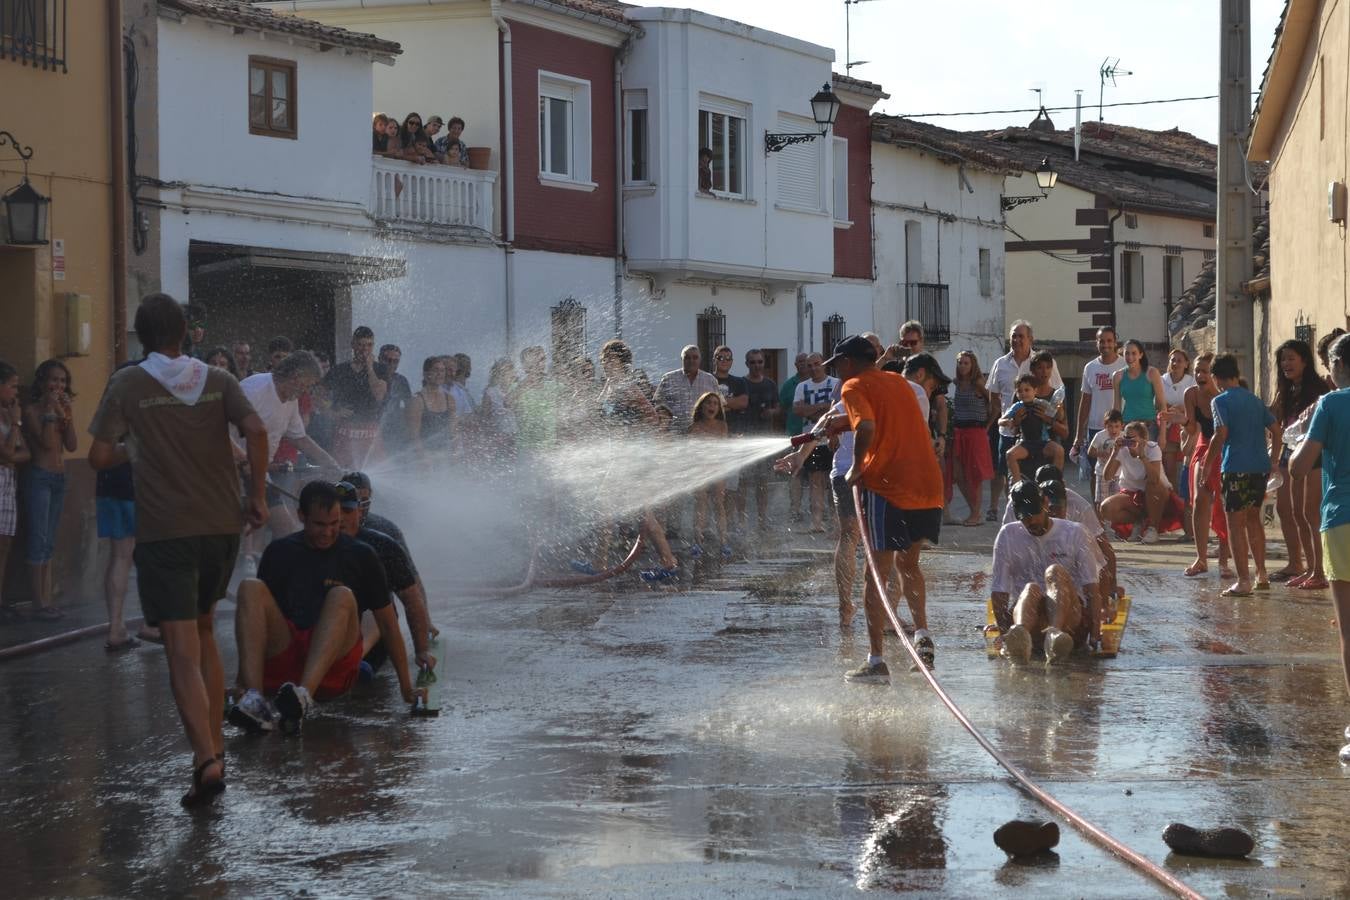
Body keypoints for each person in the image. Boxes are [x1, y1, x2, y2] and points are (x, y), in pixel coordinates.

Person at [89, 292, 270, 806]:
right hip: (220, 528)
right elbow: (255, 430)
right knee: (206, 630)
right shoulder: (217, 380)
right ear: (188, 331)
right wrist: (255, 494)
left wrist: (137, 443)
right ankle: (213, 749)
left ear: (141, 336)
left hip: (166, 531)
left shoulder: (127, 383)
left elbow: (99, 456)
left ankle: (207, 760)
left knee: (180, 649)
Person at [230, 480, 412, 734]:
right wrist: (241, 679)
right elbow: (256, 622)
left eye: (334, 524)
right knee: (249, 587)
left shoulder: (362, 554)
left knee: (341, 595)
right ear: (301, 516)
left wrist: (407, 687)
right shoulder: (279, 551)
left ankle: (303, 696)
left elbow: (388, 624)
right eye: (319, 525)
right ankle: (255, 701)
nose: (327, 533)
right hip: (288, 654)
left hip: (332, 666)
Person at [827, 335, 943, 681]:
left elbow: (867, 425)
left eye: (837, 365)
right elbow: (886, 417)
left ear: (848, 363)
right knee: (910, 564)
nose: (836, 372)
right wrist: (840, 422)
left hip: (888, 487)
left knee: (874, 574)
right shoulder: (897, 381)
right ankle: (922, 635)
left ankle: (876, 661)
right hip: (927, 483)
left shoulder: (852, 387)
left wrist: (857, 466)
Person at [1289, 332, 1350, 761]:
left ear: (1338, 366)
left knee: (1349, 630)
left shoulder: (1330, 405)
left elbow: (1299, 467)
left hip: (1341, 519)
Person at [234, 351, 342, 570]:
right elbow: (218, 429)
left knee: (288, 530)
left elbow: (300, 438)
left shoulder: (290, 401)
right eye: (306, 385)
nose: (306, 391)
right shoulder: (254, 389)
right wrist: (244, 462)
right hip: (229, 471)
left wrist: (330, 462)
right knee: (230, 535)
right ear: (295, 375)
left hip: (258, 474)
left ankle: (283, 582)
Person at [591, 339, 680, 581]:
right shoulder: (610, 385)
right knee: (618, 511)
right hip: (618, 456)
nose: (605, 364)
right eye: (604, 360)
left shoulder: (629, 388)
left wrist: (632, 435)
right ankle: (667, 562)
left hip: (632, 458)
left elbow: (652, 418)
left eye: (610, 359)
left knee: (617, 510)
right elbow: (600, 413)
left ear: (622, 361)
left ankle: (668, 562)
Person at [990, 479, 1102, 664]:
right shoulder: (1007, 534)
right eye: (1024, 517)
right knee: (1031, 589)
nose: (1030, 520)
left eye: (1034, 513)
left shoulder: (1075, 533)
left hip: (1070, 621)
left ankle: (1055, 634)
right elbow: (999, 591)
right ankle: (1019, 634)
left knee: (1055, 572)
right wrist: (1003, 634)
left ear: (1045, 504)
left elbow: (1092, 587)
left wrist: (1096, 634)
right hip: (1029, 618)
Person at [331, 481, 434, 674]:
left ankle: (353, 660)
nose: (340, 518)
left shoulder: (383, 542)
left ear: (360, 511)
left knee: (376, 605)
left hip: (372, 635)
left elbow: (411, 595)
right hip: (329, 632)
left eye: (347, 510)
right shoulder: (313, 540)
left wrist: (422, 649)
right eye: (335, 511)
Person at [1203, 353, 1280, 597]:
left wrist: (1207, 465)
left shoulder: (1220, 401)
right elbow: (1276, 430)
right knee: (1253, 520)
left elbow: (1220, 433)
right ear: (1236, 373)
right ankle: (1261, 573)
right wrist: (1274, 461)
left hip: (1235, 466)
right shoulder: (1255, 400)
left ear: (1215, 378)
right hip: (1260, 467)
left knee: (1235, 525)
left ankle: (1243, 580)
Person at [97, 359, 161, 650]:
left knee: (119, 555)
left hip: (109, 481)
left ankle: (115, 628)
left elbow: (99, 449)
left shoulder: (110, 405)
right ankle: (150, 624)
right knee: (147, 555)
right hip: (139, 483)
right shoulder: (147, 404)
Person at [1002, 465, 1118, 604]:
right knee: (1031, 589)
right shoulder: (1017, 504)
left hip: (1067, 583)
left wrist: (1110, 593)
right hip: (1033, 582)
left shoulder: (1079, 510)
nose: (1053, 513)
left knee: (1058, 575)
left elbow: (1103, 555)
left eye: (1057, 508)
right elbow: (1004, 557)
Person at [987, 320, 1064, 519]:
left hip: (1041, 436)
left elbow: (1057, 397)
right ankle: (1013, 508)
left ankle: (1051, 497)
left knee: (1041, 471)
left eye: (1021, 336)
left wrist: (1051, 418)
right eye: (1014, 335)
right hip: (1011, 430)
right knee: (1004, 471)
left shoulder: (1041, 362)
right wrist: (1009, 419)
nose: (1017, 340)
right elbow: (993, 395)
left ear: (1030, 339)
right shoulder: (1000, 364)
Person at [1270, 339, 1329, 589]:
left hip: (1314, 454)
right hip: (1289, 453)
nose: (1286, 363)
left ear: (1305, 360)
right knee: (1294, 512)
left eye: (1291, 358)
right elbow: (1273, 418)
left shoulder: (1319, 388)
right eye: (1283, 359)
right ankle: (1304, 566)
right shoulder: (1285, 390)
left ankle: (1320, 570)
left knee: (1310, 513)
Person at [22, 359, 77, 620]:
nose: (58, 385)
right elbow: (44, 443)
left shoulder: (62, 411)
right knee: (39, 538)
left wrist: (68, 416)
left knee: (50, 540)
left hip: (59, 478)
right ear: (43, 382)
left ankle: (45, 599)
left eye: (63, 381)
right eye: (54, 380)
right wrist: (50, 411)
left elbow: (73, 445)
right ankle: (38, 602)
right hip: (40, 477)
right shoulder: (32, 411)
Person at [1181, 354, 1232, 577]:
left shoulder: (1224, 395)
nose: (1200, 376)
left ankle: (1223, 561)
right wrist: (1180, 421)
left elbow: (1228, 431)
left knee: (1223, 505)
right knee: (1200, 500)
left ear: (1214, 375)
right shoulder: (1190, 394)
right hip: (1202, 448)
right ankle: (1201, 559)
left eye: (1204, 371)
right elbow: (1192, 429)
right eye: (1197, 371)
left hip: (1225, 449)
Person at [1098, 420, 1186, 544]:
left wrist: (1142, 456)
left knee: (1151, 484)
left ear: (1143, 438)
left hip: (1157, 495)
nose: (1128, 441)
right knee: (1106, 508)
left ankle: (1153, 528)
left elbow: (1154, 479)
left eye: (1132, 438)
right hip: (1131, 494)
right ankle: (1139, 521)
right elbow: (1107, 476)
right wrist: (1114, 453)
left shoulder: (1152, 448)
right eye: (1126, 437)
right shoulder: (1122, 450)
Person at [317, 326, 389, 468]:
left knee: (375, 475)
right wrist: (332, 413)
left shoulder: (380, 369)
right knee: (342, 477)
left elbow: (379, 395)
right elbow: (317, 396)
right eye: (361, 344)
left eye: (369, 345)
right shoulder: (339, 370)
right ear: (353, 345)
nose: (364, 349)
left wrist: (369, 367)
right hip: (345, 432)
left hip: (370, 432)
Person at [1074, 326, 1127, 500]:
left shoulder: (1125, 365)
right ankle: (1099, 517)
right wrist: (1079, 435)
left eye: (1109, 341)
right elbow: (1085, 400)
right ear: (1096, 343)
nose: (1105, 344)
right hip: (1096, 427)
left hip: (1120, 428)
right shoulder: (1090, 367)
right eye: (1101, 341)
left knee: (1121, 474)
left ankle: (1119, 515)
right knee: (1097, 475)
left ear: (1115, 343)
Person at [793, 353, 839, 533]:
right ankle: (817, 522)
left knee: (834, 480)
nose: (813, 368)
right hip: (811, 440)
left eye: (817, 364)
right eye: (809, 365)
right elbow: (798, 410)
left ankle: (836, 523)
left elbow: (835, 408)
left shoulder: (835, 383)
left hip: (834, 438)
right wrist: (822, 408)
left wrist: (814, 411)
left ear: (824, 364)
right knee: (815, 481)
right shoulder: (801, 386)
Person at [951, 350, 996, 526]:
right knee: (958, 473)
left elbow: (995, 405)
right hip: (959, 431)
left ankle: (975, 515)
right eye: (960, 363)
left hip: (975, 431)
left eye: (966, 363)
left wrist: (987, 426)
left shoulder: (978, 384)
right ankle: (973, 510)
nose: (962, 366)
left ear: (973, 365)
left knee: (974, 474)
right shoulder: (957, 383)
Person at [0, 361, 30, 622]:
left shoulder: (7, 415)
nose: (15, 393)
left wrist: (11, 454)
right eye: (11, 387)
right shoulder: (11, 418)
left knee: (5, 543)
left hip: (8, 481)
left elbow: (24, 453)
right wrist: (17, 424)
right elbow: (9, 452)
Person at [688, 391, 731, 557]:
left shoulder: (722, 426)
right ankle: (697, 542)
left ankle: (723, 542)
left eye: (715, 403)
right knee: (701, 504)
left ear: (719, 407)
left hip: (717, 468)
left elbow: (725, 448)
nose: (711, 406)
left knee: (719, 504)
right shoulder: (694, 427)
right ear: (701, 406)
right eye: (708, 403)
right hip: (700, 469)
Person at [740, 348, 777, 533]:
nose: (757, 365)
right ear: (747, 364)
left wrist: (772, 412)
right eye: (753, 362)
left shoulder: (770, 384)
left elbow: (778, 407)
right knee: (743, 483)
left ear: (763, 363)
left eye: (760, 362)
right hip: (745, 439)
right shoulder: (742, 384)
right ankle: (742, 521)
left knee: (763, 483)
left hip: (764, 439)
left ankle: (762, 520)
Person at [1001, 374, 1062, 482]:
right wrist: (1009, 422)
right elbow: (1000, 420)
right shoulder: (1017, 406)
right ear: (1016, 393)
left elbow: (1057, 415)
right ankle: (1017, 484)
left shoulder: (1041, 404)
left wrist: (1057, 408)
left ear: (1035, 390)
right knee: (1010, 455)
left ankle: (1055, 481)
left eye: (1027, 390)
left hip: (1043, 442)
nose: (1023, 393)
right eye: (1020, 391)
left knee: (1059, 450)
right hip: (1026, 443)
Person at [1160, 349, 1196, 504]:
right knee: (1169, 468)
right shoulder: (1162, 380)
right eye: (1173, 360)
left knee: (1183, 466)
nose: (1175, 363)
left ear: (1186, 363)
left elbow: (1194, 402)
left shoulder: (1191, 381)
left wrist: (1180, 409)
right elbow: (1157, 401)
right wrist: (1168, 408)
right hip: (1166, 426)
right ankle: (1171, 501)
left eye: (1179, 360)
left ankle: (1183, 502)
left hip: (1184, 427)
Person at [1112, 339, 1165, 440]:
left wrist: (1163, 434)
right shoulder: (1118, 376)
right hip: (1127, 426)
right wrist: (1116, 430)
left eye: (1134, 353)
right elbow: (1117, 407)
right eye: (1127, 353)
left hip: (1149, 426)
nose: (1130, 357)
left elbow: (1162, 405)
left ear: (1140, 355)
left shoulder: (1152, 373)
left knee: (1149, 456)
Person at [779, 352, 811, 520]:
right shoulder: (788, 385)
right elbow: (783, 406)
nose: (803, 364)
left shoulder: (818, 382)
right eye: (799, 362)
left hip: (815, 435)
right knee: (795, 473)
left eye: (805, 361)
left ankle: (817, 511)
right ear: (795, 364)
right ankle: (795, 510)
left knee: (818, 476)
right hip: (795, 433)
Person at [655, 345, 718, 429]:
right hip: (674, 431)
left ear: (700, 360)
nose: (691, 360)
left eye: (695, 357)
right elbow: (658, 403)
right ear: (682, 359)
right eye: (687, 357)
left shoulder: (710, 380)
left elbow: (720, 406)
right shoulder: (668, 379)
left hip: (702, 432)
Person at [407, 356, 455, 466]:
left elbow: (453, 431)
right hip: (424, 454)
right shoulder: (417, 400)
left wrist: (455, 452)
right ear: (425, 374)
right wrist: (422, 458)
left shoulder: (450, 399)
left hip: (444, 454)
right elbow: (413, 435)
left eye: (442, 370)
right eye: (435, 370)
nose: (440, 374)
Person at [377, 343, 413, 455]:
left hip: (395, 433)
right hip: (373, 430)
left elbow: (409, 407)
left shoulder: (401, 381)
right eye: (388, 360)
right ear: (379, 359)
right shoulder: (372, 378)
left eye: (395, 361)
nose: (391, 364)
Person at [479, 357, 519, 457]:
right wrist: (490, 435)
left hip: (514, 435)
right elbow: (484, 417)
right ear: (499, 374)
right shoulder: (491, 392)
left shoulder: (516, 389)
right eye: (506, 371)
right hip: (498, 436)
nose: (510, 374)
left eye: (511, 370)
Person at [1088, 409, 1125, 502]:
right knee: (1101, 501)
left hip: (1118, 474)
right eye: (1110, 426)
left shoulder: (1124, 437)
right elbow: (1090, 452)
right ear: (1105, 426)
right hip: (1101, 473)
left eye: (1117, 426)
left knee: (1116, 501)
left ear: (1122, 426)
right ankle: (1100, 517)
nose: (1113, 430)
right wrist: (1102, 454)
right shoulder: (1100, 436)